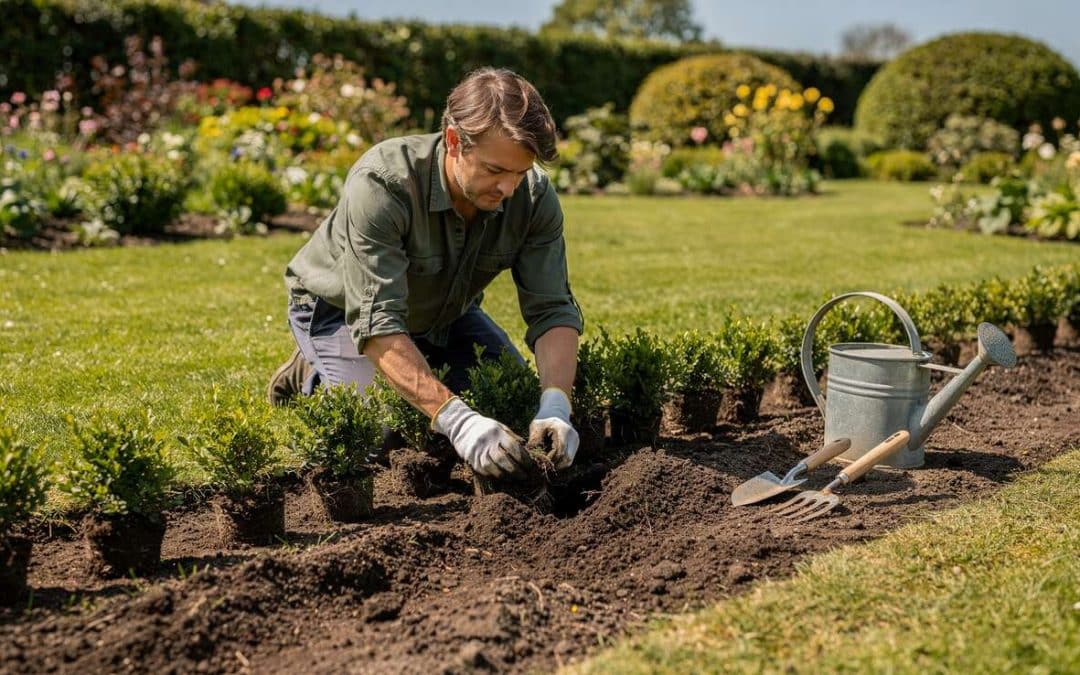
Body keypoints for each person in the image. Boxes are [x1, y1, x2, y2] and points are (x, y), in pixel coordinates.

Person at [267, 67, 583, 479]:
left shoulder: (533, 196)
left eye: (519, 173)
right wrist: (458, 420)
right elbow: (378, 320)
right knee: (382, 433)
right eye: (494, 171)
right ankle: (309, 373)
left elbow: (553, 309)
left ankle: (420, 362)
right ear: (454, 141)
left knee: (514, 406)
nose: (507, 189)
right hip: (342, 310)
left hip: (444, 312)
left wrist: (556, 404)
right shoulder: (384, 183)